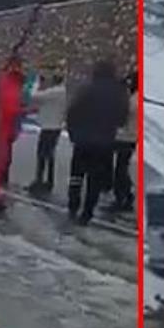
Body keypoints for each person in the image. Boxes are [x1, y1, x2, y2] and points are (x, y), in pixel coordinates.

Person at [66, 59, 130, 225]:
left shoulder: (86, 89)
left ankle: (73, 204)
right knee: (95, 179)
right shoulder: (119, 93)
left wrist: (73, 132)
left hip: (83, 140)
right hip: (104, 142)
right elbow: (122, 119)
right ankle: (87, 212)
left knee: (76, 175)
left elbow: (72, 111)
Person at [0, 56, 26, 213]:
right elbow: (10, 108)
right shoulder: (11, 86)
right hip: (1, 130)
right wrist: (25, 110)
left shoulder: (3, 82)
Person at [27, 72, 67, 196]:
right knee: (50, 154)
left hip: (49, 127)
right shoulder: (62, 92)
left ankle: (40, 180)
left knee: (42, 154)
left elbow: (33, 96)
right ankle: (49, 180)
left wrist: (37, 83)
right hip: (56, 126)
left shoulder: (54, 92)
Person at [111, 72, 138, 212]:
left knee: (120, 169)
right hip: (129, 137)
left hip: (125, 137)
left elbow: (122, 116)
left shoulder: (133, 100)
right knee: (121, 168)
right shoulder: (134, 98)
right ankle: (125, 195)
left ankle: (122, 197)